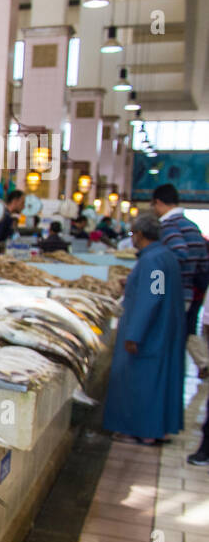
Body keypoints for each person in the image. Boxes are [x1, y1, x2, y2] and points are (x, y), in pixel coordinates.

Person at [102, 213, 186, 445]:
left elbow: (153, 297)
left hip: (150, 333)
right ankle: (157, 428)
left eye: (133, 234)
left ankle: (142, 431)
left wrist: (134, 334)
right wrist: (131, 283)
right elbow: (156, 287)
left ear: (139, 234)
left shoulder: (153, 260)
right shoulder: (164, 256)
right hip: (163, 329)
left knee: (142, 382)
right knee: (159, 382)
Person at [151, 183, 209, 336]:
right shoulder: (192, 226)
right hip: (190, 294)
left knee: (165, 337)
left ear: (158, 202)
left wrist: (157, 287)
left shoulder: (168, 225)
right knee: (182, 337)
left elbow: (179, 252)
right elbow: (204, 264)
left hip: (172, 293)